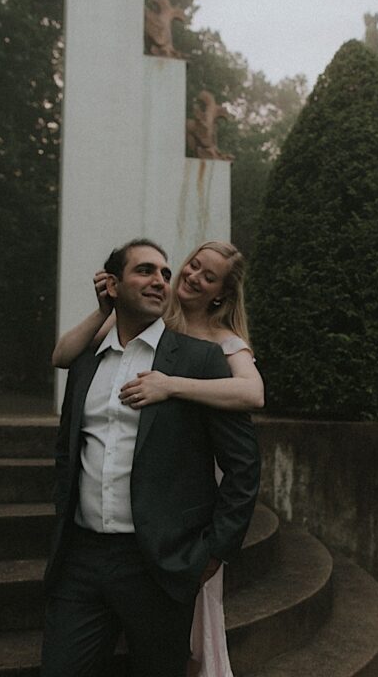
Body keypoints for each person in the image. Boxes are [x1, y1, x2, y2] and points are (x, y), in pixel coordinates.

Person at [41, 239, 260, 677]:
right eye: (147, 271)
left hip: (158, 562)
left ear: (220, 293)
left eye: (164, 271)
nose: (167, 278)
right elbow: (68, 444)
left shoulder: (206, 356)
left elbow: (244, 462)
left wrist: (213, 551)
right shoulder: (90, 356)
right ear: (114, 285)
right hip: (80, 558)